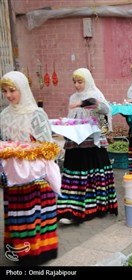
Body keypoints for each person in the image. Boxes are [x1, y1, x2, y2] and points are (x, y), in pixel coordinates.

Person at [0, 71, 61, 265]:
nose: (9, 95)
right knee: (18, 213)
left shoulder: (37, 114)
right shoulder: (4, 114)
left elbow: (48, 146)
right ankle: (19, 249)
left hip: (35, 175)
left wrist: (26, 150)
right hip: (13, 174)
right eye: (5, 91)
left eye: (12, 90)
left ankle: (39, 251)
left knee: (36, 213)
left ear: (22, 90)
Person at [57, 68, 118, 224]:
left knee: (91, 176)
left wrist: (84, 103)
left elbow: (105, 109)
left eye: (80, 81)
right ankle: (70, 210)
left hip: (92, 144)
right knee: (74, 176)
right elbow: (72, 118)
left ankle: (94, 208)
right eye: (74, 82)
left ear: (87, 81)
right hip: (75, 144)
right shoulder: (72, 97)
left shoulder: (95, 94)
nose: (77, 85)